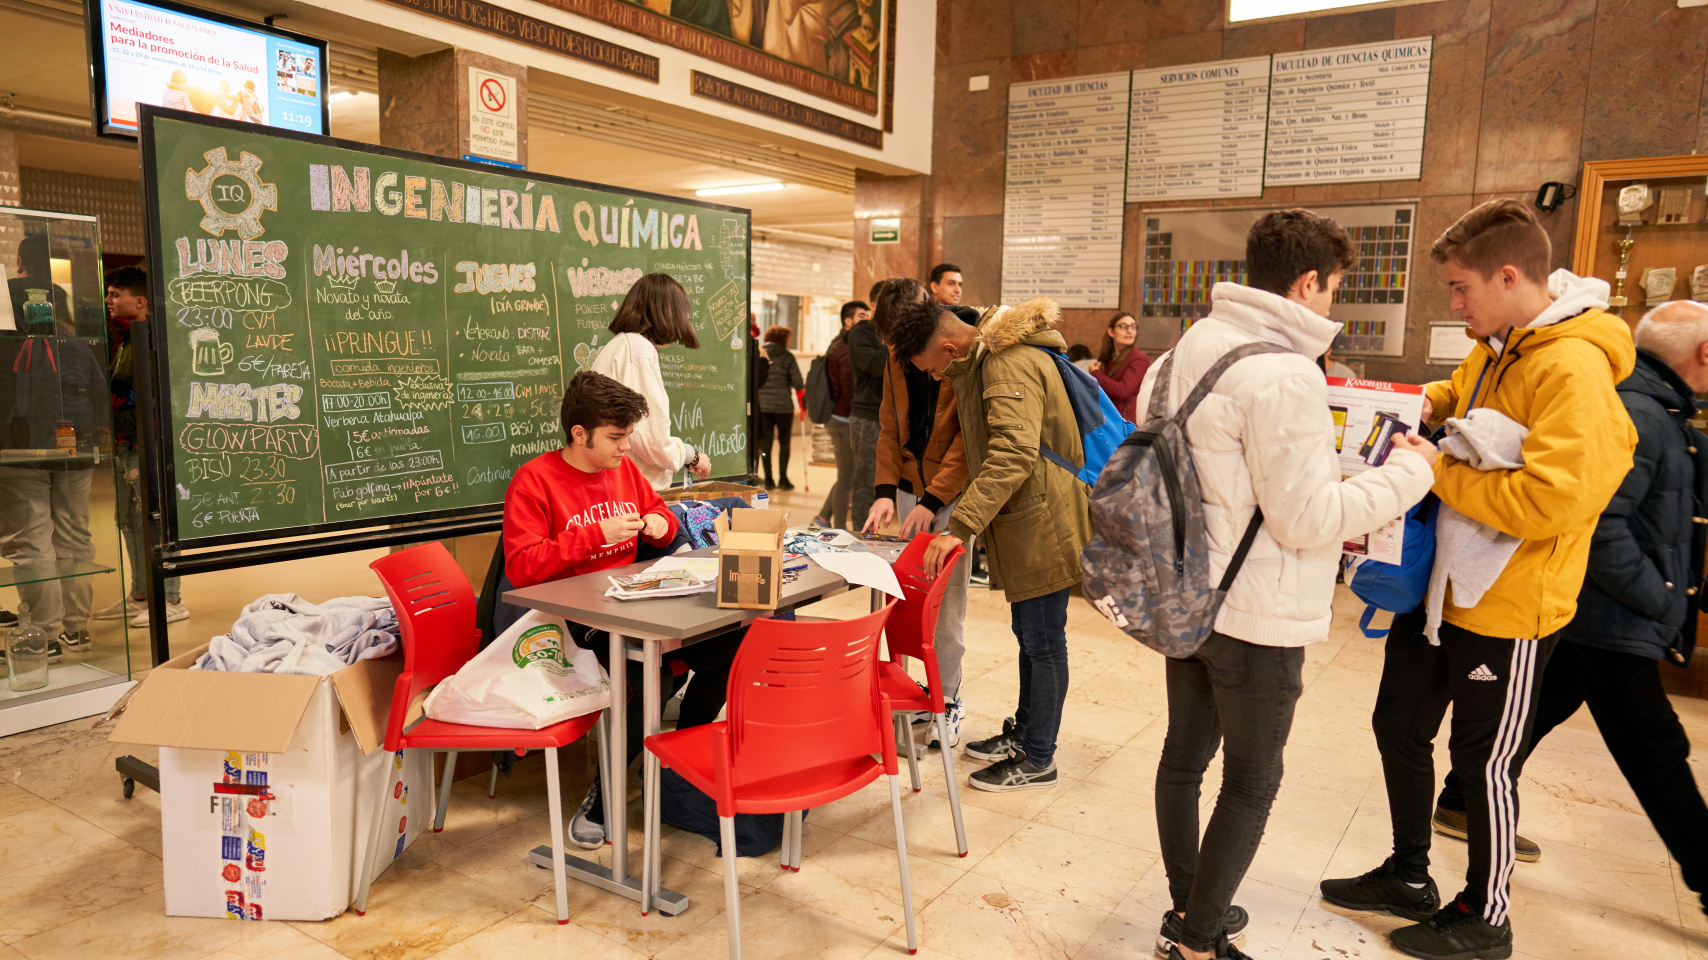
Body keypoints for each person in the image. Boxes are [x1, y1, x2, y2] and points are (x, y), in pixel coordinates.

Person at [1322, 199, 1638, 960]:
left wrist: (1441, 471)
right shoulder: (1498, 344)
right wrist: (1383, 405)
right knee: (1398, 724)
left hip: (1513, 604)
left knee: (1482, 763)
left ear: (1508, 275)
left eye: (1461, 288)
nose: (1454, 304)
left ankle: (1486, 915)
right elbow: (1447, 397)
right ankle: (1407, 874)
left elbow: (1552, 500)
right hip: (1445, 591)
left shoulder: (1571, 366)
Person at [1124, 209, 1438, 960]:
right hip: (1256, 617)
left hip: (1184, 594)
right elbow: (1308, 518)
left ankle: (1187, 908)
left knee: (1182, 760)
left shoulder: (1177, 356)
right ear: (1307, 282)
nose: (1332, 303)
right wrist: (1410, 471)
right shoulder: (1284, 372)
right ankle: (1199, 941)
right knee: (1253, 779)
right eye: (1332, 288)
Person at [1431, 299, 1708, 916]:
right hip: (1606, 617)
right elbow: (1597, 523)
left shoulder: (1657, 407)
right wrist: (1661, 598)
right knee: (1656, 750)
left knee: (1536, 711)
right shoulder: (1637, 409)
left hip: (1588, 614)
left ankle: (1456, 801)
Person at [504, 370, 741, 849]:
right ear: (579, 433)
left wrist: (658, 521)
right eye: (616, 437)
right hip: (568, 616)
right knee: (646, 678)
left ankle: (674, 764)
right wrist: (594, 536)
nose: (626, 447)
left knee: (729, 645)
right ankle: (605, 795)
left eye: (629, 435)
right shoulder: (535, 480)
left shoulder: (623, 470)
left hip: (631, 600)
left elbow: (664, 515)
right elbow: (523, 567)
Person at [887, 294, 1096, 794]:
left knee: (1044, 640)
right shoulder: (990, 360)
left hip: (1044, 520)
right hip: (1031, 518)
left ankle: (1039, 756)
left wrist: (959, 526)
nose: (934, 378)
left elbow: (1011, 454)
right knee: (1031, 634)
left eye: (932, 368)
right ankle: (1026, 732)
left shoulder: (1005, 366)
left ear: (948, 346)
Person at [863, 278, 972, 748]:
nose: (897, 350)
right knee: (903, 600)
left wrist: (934, 500)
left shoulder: (963, 348)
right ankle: (907, 698)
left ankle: (947, 699)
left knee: (945, 607)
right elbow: (889, 424)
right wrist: (886, 489)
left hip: (953, 495)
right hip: (910, 489)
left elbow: (970, 440)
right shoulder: (895, 356)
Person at [0, 240, 110, 660]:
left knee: (31, 541)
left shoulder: (7, 342)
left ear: (20, 264)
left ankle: (43, 635)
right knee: (76, 535)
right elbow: (99, 398)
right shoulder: (77, 342)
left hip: (18, 450)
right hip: (75, 451)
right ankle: (77, 628)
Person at [92, 267, 187, 627]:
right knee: (130, 522)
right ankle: (140, 595)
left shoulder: (156, 342)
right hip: (126, 444)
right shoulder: (128, 341)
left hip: (151, 447)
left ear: (140, 300)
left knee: (160, 525)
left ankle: (172, 599)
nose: (108, 301)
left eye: (116, 294)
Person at [591, 273, 714, 490]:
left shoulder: (620, 345)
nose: (684, 320)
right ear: (665, 313)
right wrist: (690, 455)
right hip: (633, 490)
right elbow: (649, 438)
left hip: (617, 483)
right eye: (682, 312)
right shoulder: (638, 350)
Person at [813, 301, 864, 529]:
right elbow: (849, 389)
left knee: (847, 475)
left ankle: (823, 517)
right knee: (847, 479)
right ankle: (840, 530)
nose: (867, 320)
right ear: (848, 320)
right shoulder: (845, 348)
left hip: (842, 418)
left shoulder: (842, 343)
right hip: (842, 419)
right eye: (862, 316)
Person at [846, 282, 888, 530]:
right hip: (867, 417)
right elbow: (876, 367)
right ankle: (862, 535)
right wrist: (894, 343)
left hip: (893, 417)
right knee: (865, 480)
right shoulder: (861, 333)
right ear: (873, 305)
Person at [755, 325, 804, 489]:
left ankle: (768, 479)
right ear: (784, 340)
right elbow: (798, 382)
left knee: (764, 445)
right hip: (784, 407)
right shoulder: (788, 356)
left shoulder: (760, 353)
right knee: (785, 442)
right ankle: (783, 478)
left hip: (762, 407)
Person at [1090, 311, 1151, 422]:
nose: (1129, 331)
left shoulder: (1139, 358)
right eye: (1123, 326)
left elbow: (1122, 391)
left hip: (1127, 424)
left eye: (1133, 327)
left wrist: (1096, 373)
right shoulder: (1110, 357)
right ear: (1111, 331)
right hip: (1110, 420)